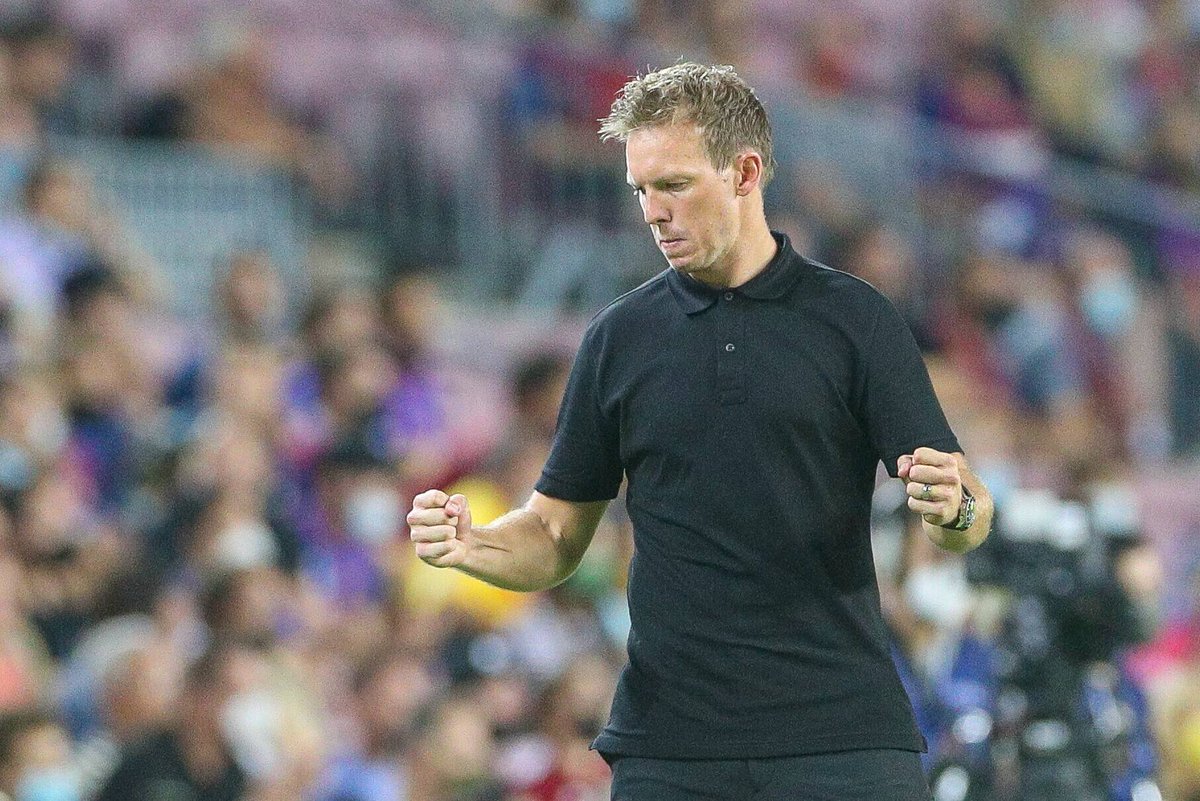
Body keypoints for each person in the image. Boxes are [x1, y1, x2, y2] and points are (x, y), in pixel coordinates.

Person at [407, 62, 994, 801]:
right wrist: (476, 546)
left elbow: (968, 508)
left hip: (842, 740)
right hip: (670, 751)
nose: (654, 212)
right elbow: (556, 536)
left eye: (675, 185)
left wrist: (953, 508)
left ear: (745, 173)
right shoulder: (618, 339)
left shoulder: (855, 321)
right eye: (641, 190)